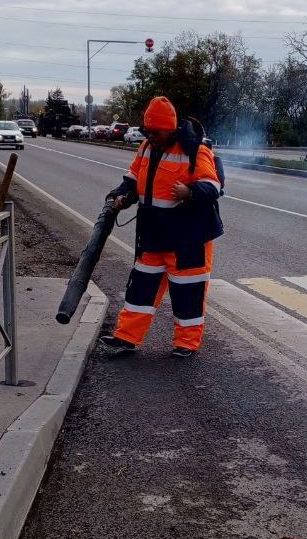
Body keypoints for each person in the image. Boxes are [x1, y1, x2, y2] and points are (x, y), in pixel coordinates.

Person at [99, 96, 224, 358]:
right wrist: (123, 196)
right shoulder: (146, 147)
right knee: (141, 288)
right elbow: (133, 179)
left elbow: (212, 187)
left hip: (188, 239)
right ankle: (126, 337)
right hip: (154, 233)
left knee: (188, 293)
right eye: (148, 131)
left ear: (170, 128)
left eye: (156, 132)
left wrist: (189, 191)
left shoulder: (195, 150)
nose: (151, 136)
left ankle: (186, 344)